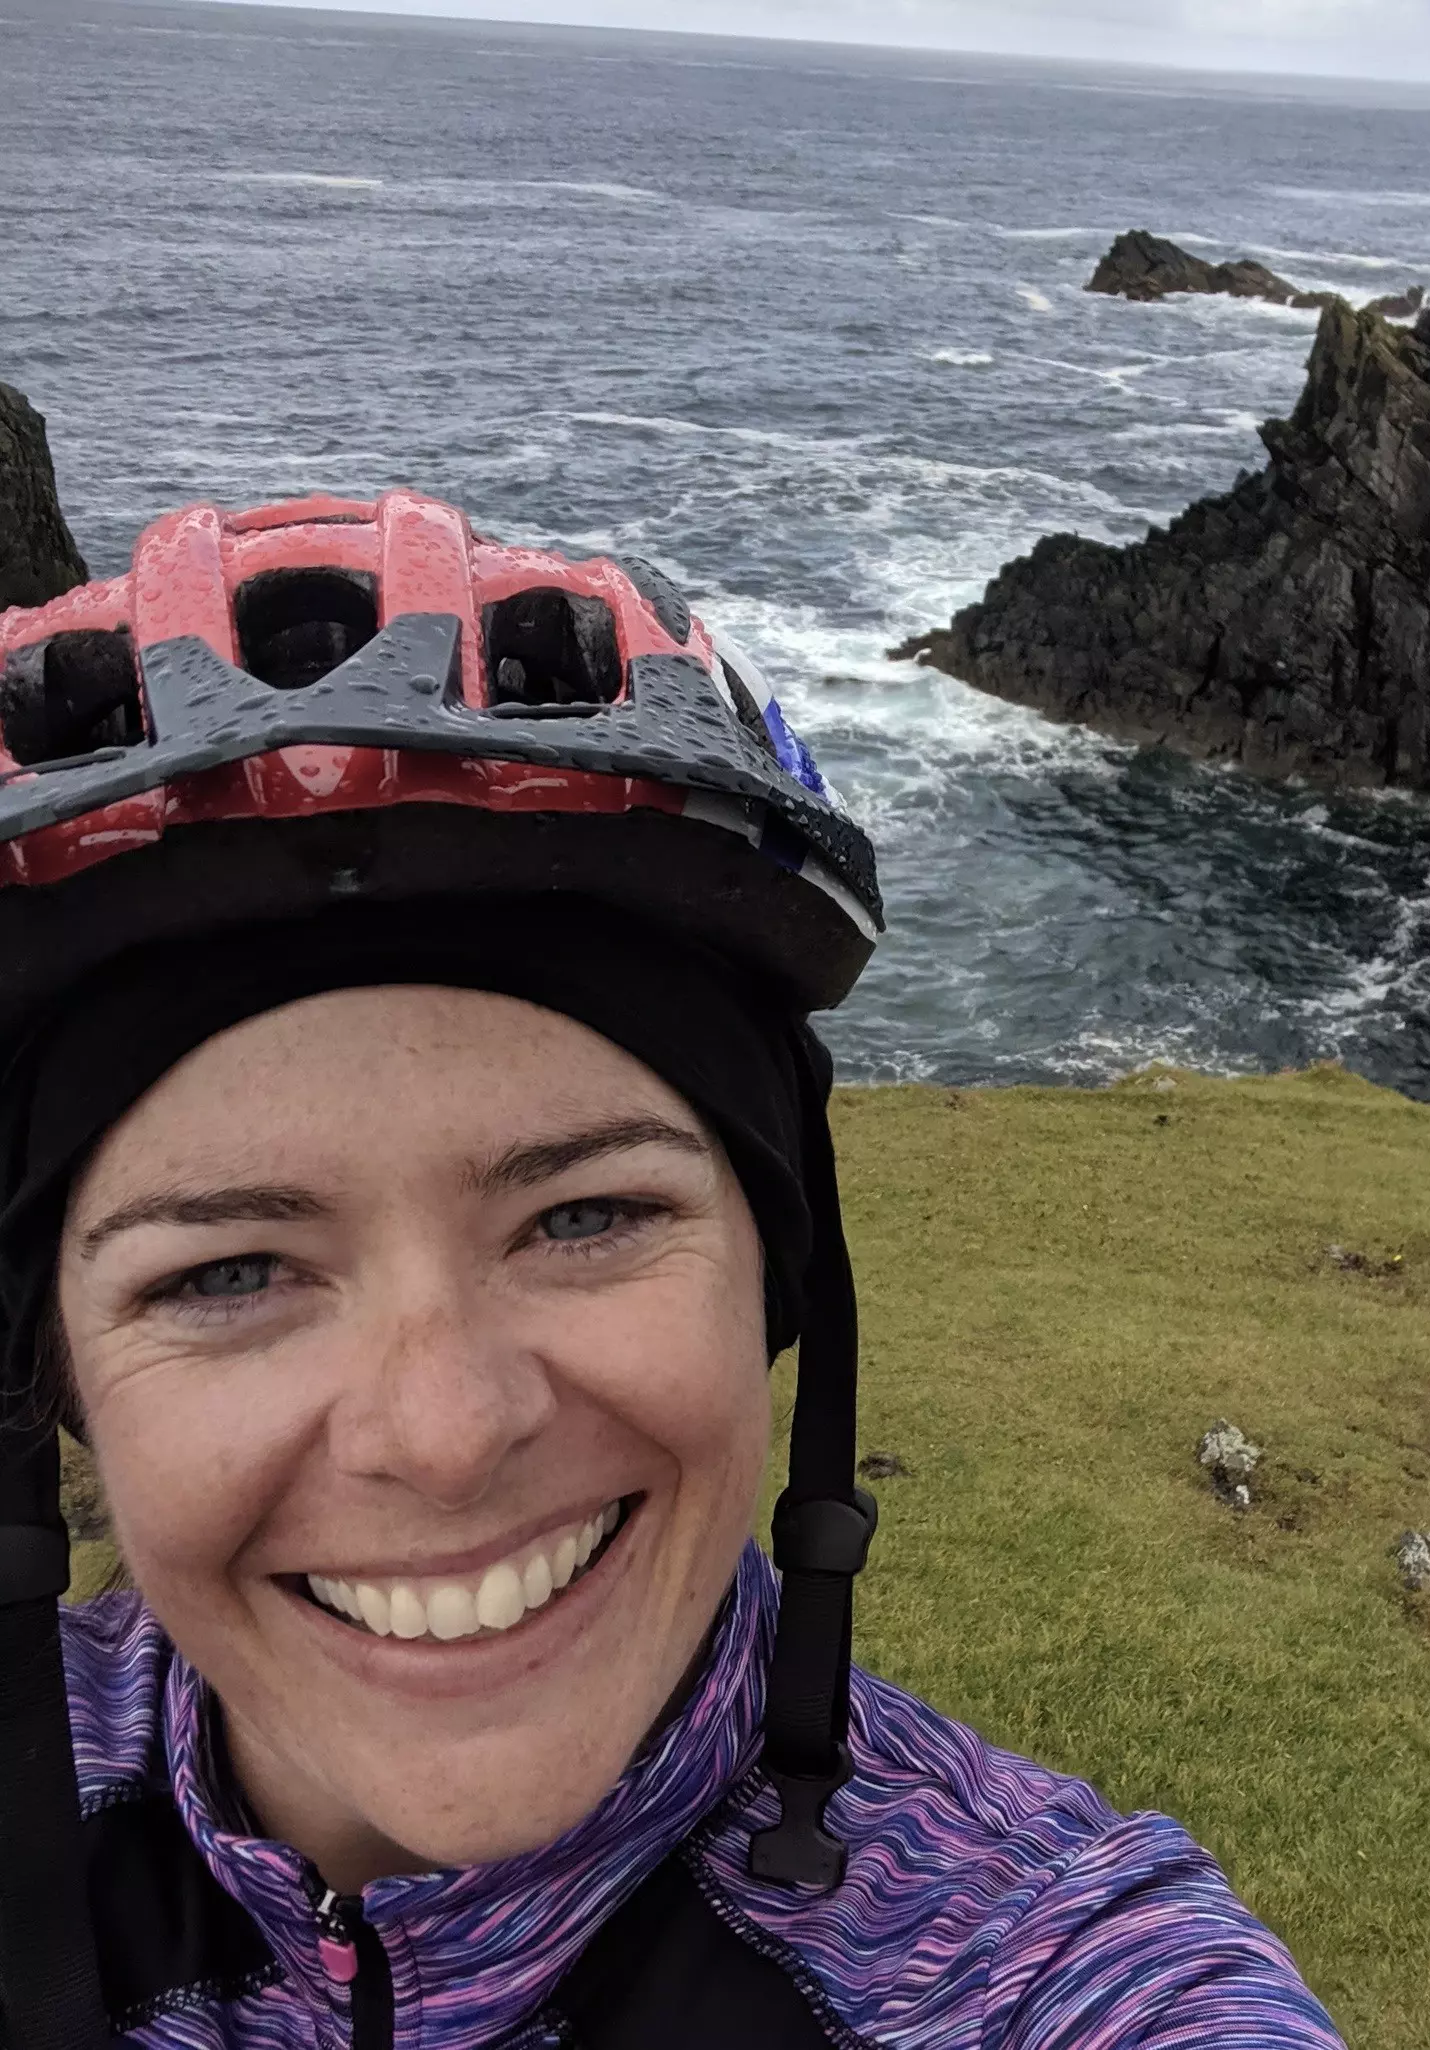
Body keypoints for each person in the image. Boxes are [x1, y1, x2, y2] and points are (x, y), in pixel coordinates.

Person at [0, 492, 1343, 2050]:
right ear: (56, 1363)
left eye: (581, 1217)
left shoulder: (1053, 1979)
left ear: (773, 1268)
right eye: (231, 1271)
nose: (440, 1435)